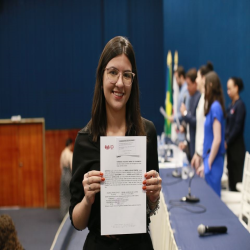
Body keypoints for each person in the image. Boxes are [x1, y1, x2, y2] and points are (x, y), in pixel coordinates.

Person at [69, 36, 161, 250]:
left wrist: (154, 197)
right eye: (113, 72)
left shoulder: (147, 133)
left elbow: (150, 208)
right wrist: (87, 200)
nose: (120, 83)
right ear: (101, 76)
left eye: (127, 75)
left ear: (133, 81)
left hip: (139, 245)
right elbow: (77, 221)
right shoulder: (85, 140)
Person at [196, 72, 226, 197]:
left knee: (213, 203)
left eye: (205, 86)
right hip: (210, 161)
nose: (204, 89)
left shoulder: (215, 107)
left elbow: (217, 139)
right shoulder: (213, 107)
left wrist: (208, 164)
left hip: (213, 164)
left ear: (211, 85)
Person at [191, 62, 213, 169]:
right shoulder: (202, 98)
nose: (196, 80)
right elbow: (200, 129)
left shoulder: (209, 100)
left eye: (198, 77)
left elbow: (207, 131)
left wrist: (201, 153)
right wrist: (197, 152)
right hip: (200, 152)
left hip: (205, 154)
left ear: (204, 78)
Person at [225, 77, 246, 191]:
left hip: (237, 149)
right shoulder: (230, 106)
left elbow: (237, 127)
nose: (228, 91)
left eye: (230, 88)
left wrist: (227, 142)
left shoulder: (240, 106)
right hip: (229, 150)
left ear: (236, 88)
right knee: (231, 180)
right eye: (227, 89)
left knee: (238, 180)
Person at [179, 68, 201, 160]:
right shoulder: (191, 97)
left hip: (197, 146)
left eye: (188, 84)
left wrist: (184, 113)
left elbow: (197, 122)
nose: (187, 88)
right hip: (190, 143)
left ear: (195, 84)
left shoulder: (199, 97)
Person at [168, 66, 190, 143]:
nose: (176, 81)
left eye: (177, 78)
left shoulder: (186, 90)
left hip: (184, 133)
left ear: (181, 77)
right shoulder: (181, 90)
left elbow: (185, 112)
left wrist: (174, 118)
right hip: (180, 131)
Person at [60, 138, 73, 220]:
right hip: (68, 174)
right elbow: (72, 166)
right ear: (71, 144)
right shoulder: (69, 154)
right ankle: (68, 217)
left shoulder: (62, 153)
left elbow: (60, 166)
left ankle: (63, 216)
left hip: (63, 175)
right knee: (70, 195)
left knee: (63, 195)